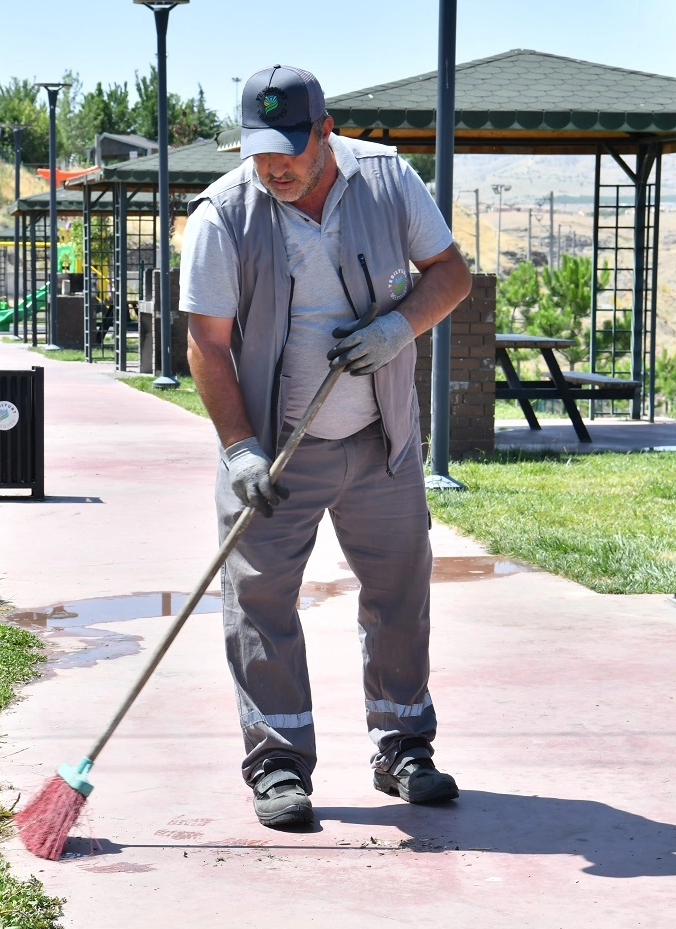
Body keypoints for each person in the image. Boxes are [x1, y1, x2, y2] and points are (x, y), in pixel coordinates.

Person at [181, 65, 473, 828]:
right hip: (276, 450)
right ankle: (278, 764)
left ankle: (403, 748)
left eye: (288, 150)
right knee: (261, 601)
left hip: (382, 438)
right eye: (259, 152)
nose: (273, 167)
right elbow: (206, 344)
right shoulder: (222, 215)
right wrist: (240, 450)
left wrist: (397, 328)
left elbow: (451, 275)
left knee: (400, 593)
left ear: (325, 131)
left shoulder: (388, 181)